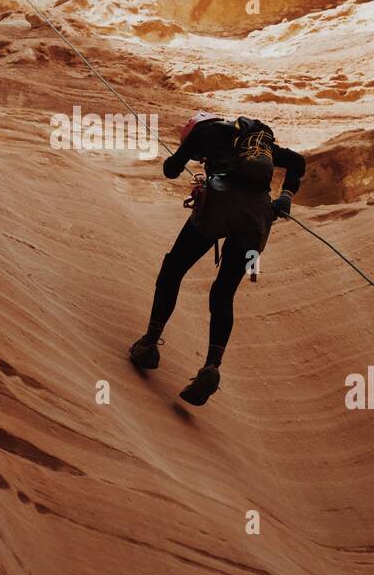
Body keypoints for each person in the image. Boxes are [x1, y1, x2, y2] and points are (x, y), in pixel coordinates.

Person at [129, 112, 306, 405]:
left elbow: (172, 170)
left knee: (174, 268)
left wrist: (177, 160)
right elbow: (298, 161)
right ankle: (211, 365)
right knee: (224, 292)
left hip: (218, 205)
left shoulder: (204, 132)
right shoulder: (256, 143)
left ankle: (149, 344)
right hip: (258, 216)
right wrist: (286, 194)